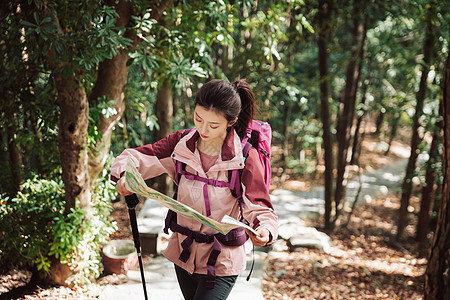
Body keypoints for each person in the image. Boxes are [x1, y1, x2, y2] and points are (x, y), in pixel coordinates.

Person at [110, 79, 278, 300]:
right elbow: (135, 158)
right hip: (185, 252)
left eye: (214, 125)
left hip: (223, 257)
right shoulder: (180, 145)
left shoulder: (245, 157)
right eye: (199, 119)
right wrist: (125, 176)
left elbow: (261, 207)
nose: (203, 129)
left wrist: (264, 231)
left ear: (231, 122)